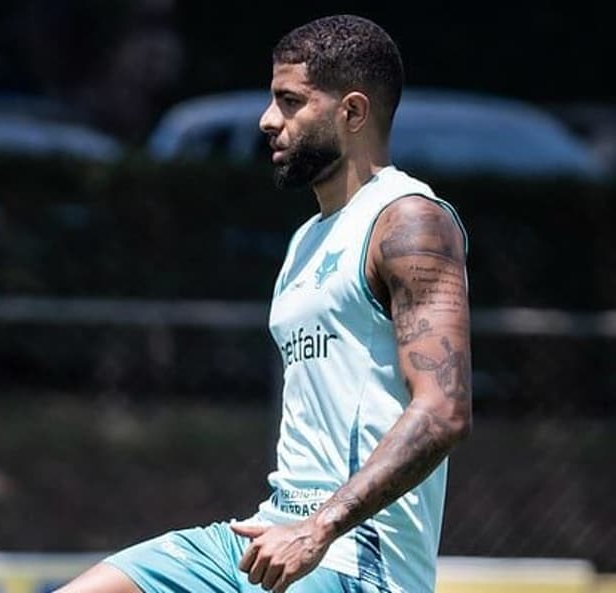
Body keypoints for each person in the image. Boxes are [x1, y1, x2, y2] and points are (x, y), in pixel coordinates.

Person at [55, 13, 471, 593]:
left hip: (356, 560)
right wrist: (293, 529)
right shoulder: (307, 240)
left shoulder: (409, 222)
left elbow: (443, 412)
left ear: (352, 112)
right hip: (267, 536)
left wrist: (318, 528)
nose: (267, 120)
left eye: (290, 101)